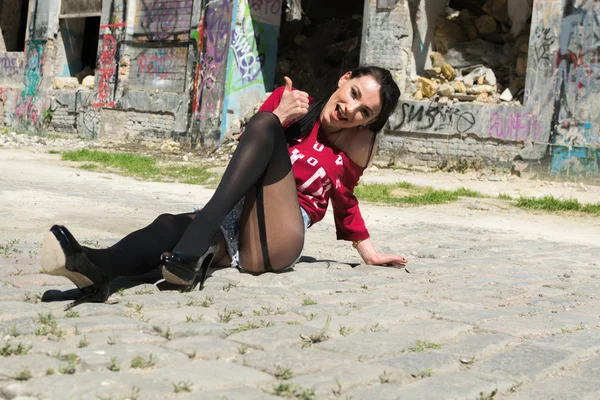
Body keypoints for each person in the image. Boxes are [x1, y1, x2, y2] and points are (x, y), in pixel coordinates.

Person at [41, 66, 408, 310]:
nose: (351, 108)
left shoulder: (354, 146)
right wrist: (281, 116)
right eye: (354, 92)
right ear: (344, 79)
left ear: (369, 123)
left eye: (364, 112)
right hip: (235, 217)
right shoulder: (293, 104)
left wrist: (369, 252)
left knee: (262, 131)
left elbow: (345, 199)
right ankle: (100, 271)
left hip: (281, 237)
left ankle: (195, 241)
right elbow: (247, 158)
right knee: (169, 224)